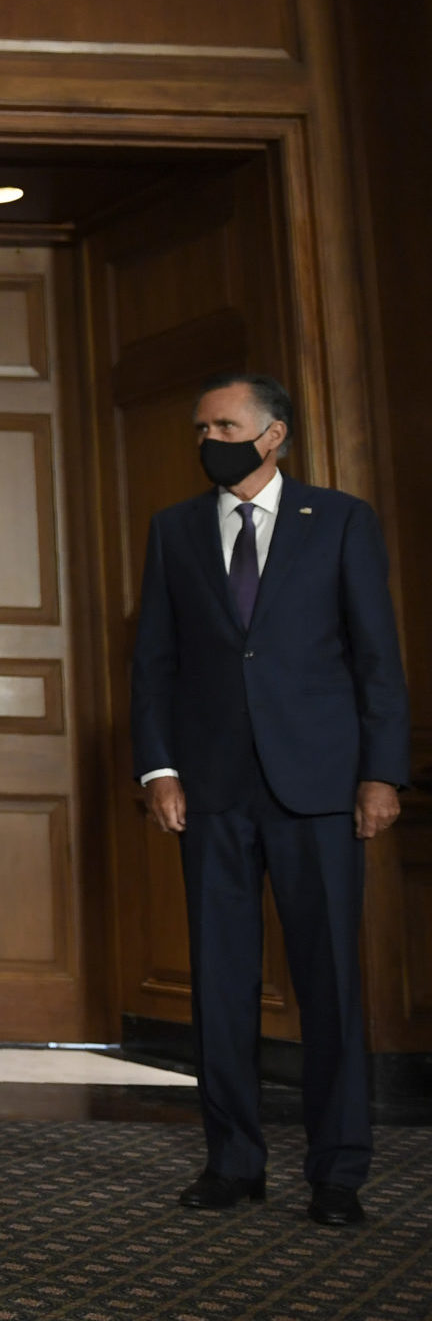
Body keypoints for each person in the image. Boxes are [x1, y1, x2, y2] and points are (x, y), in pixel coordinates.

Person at [131, 372, 407, 1228]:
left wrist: (381, 773)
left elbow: (376, 657)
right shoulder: (174, 528)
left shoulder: (344, 520)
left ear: (274, 434)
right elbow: (155, 662)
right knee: (219, 982)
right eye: (201, 425)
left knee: (328, 982)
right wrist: (158, 769)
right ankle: (233, 1161)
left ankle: (337, 1172)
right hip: (210, 789)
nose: (208, 437)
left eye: (225, 424)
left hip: (320, 787)